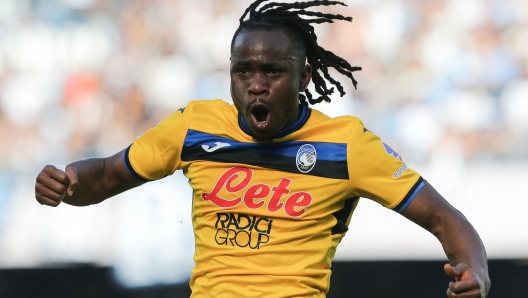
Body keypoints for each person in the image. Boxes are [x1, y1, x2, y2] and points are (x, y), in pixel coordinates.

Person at [35, 1, 490, 297]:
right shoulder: (194, 127)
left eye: (272, 71)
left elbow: (444, 218)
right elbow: (107, 175)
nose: (255, 85)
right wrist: (68, 182)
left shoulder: (347, 144)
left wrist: (476, 271)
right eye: (242, 72)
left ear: (305, 77)